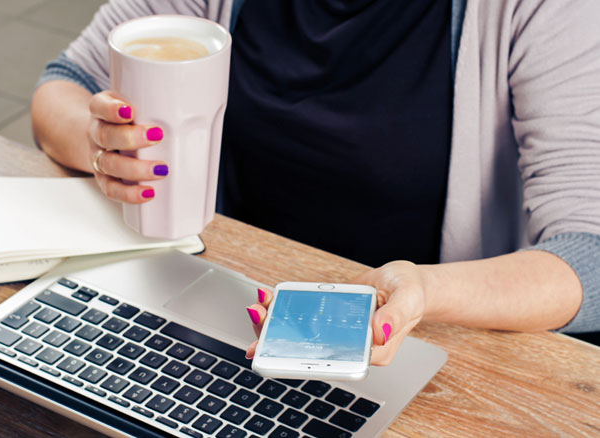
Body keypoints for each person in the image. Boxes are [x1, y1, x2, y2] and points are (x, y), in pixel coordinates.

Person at [31, 0, 600, 364]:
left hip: (418, 348)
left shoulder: (543, 10)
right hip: (215, 309)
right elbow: (63, 86)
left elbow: (589, 252)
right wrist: (105, 145)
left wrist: (426, 293)